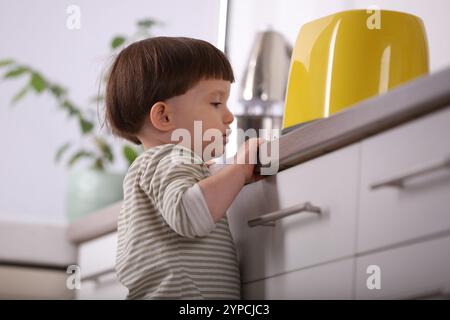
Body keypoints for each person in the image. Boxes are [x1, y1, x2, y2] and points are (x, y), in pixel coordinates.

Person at [104, 36, 264, 299]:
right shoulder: (170, 157)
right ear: (164, 116)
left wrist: (226, 174)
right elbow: (189, 214)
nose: (229, 116)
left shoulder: (159, 164)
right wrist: (241, 167)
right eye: (216, 102)